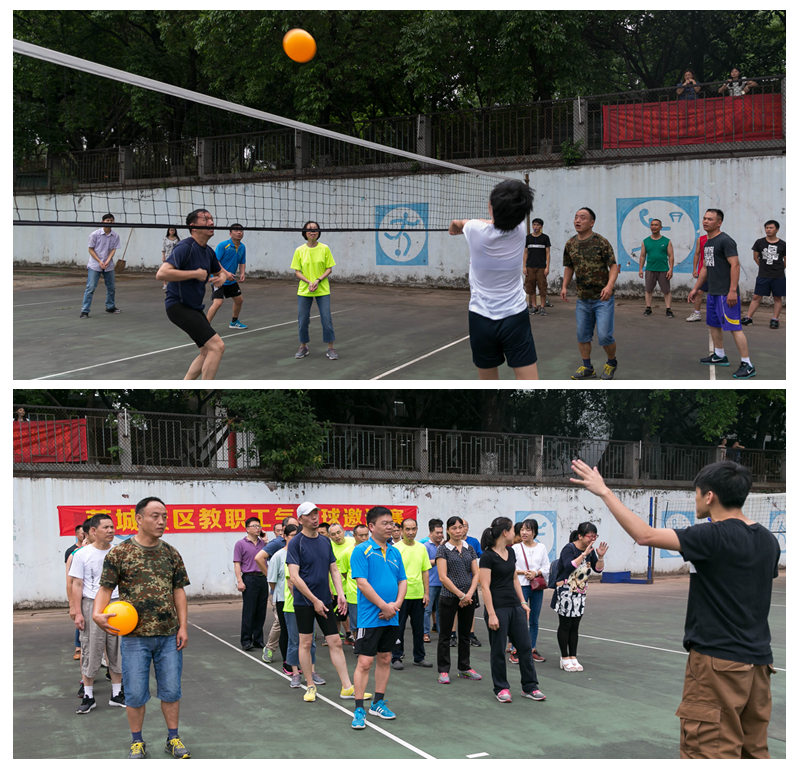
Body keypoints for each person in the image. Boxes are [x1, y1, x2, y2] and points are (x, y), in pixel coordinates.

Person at [570, 459, 781, 759]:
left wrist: (604, 492)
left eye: (697, 493)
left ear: (710, 496)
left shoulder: (712, 535)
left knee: (708, 752)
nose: (696, 499)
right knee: (754, 753)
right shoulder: (769, 540)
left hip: (718, 663)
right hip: (759, 666)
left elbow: (644, 535)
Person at [94, 497, 191, 759]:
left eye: (164, 516)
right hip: (134, 638)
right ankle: (137, 741)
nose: (161, 521)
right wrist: (96, 614)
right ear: (138, 518)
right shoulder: (120, 553)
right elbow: (105, 588)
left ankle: (173, 738)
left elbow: (178, 591)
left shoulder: (171, 553)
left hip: (169, 636)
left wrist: (183, 626)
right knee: (135, 693)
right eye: (155, 516)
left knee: (171, 690)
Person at [449, 179, 538, 380]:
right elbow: (491, 222)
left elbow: (458, 224)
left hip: (480, 318)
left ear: (490, 207)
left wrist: (454, 226)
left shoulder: (474, 229)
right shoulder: (521, 229)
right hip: (515, 317)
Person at [285, 502, 360, 703]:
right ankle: (310, 685)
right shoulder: (296, 543)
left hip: (325, 600)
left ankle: (347, 687)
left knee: (336, 641)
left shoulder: (325, 541)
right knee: (305, 642)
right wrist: (314, 600)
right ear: (300, 519)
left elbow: (333, 569)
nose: (314, 517)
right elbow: (294, 577)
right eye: (309, 515)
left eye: (316, 513)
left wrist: (341, 594)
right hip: (304, 602)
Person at [155, 208, 235, 380]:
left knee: (206, 351)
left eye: (211, 219)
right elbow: (161, 273)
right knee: (217, 346)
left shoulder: (208, 251)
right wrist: (194, 273)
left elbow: (220, 272)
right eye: (205, 219)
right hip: (178, 306)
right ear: (193, 226)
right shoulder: (185, 247)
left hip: (194, 307)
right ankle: (207, 391)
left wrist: (221, 278)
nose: (211, 222)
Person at [349, 506, 408, 729]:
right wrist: (384, 606)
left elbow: (403, 581)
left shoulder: (395, 552)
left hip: (391, 616)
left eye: (391, 523)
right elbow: (362, 583)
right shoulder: (361, 551)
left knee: (385, 659)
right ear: (372, 526)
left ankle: (378, 703)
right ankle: (359, 709)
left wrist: (396, 605)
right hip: (370, 617)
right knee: (365, 662)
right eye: (385, 523)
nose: (390, 526)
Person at [479, 517, 546, 704]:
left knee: (524, 647)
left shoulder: (511, 552)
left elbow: (515, 579)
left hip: (515, 606)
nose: (517, 533)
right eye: (513, 530)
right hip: (498, 608)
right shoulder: (487, 556)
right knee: (498, 650)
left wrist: (523, 602)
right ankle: (501, 688)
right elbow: (485, 587)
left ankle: (530, 686)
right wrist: (492, 614)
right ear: (505, 532)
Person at [687, 209, 755, 379]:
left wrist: (732, 291)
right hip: (713, 292)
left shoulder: (726, 241)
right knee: (714, 324)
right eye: (704, 218)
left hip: (726, 294)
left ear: (719, 223)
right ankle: (719, 355)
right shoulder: (707, 243)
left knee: (734, 328)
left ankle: (747, 364)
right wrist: (696, 289)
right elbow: (705, 268)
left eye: (710, 219)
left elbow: (735, 265)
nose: (705, 221)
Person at [69, 513, 126, 714]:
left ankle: (117, 694)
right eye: (106, 527)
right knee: (91, 649)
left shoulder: (119, 552)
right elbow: (77, 584)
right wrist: (77, 612)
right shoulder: (81, 554)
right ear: (93, 530)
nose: (111, 530)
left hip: (117, 605)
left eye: (112, 527)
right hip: (91, 604)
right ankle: (89, 696)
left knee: (117, 649)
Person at [561, 207, 621, 380]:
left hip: (603, 298)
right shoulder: (570, 244)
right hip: (583, 298)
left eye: (582, 217)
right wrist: (564, 286)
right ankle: (588, 368)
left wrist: (609, 285)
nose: (577, 220)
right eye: (576, 217)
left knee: (605, 336)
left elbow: (613, 266)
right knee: (582, 335)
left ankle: (611, 363)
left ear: (592, 222)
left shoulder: (601, 242)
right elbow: (569, 266)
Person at [549, 522, 608, 672]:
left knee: (575, 626)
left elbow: (597, 569)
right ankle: (564, 657)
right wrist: (584, 555)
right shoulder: (569, 548)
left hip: (580, 593)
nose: (592, 539)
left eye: (595, 536)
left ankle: (573, 657)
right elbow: (569, 566)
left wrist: (600, 556)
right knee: (565, 625)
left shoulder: (590, 551)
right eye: (590, 536)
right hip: (565, 591)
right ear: (580, 536)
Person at [435, 516, 481, 684]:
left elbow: (476, 574)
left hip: (469, 598)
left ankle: (464, 668)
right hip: (449, 597)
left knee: (465, 634)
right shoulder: (443, 549)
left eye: (460, 527)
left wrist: (469, 594)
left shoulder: (469, 548)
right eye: (453, 528)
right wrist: (460, 595)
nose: (458, 531)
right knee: (445, 635)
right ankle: (443, 670)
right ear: (448, 531)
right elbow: (443, 577)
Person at [291, 221, 338, 360]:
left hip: (322, 289)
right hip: (304, 290)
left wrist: (318, 280)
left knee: (326, 320)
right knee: (303, 321)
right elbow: (297, 271)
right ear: (305, 233)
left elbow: (329, 268)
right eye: (310, 229)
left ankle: (330, 348)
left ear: (319, 232)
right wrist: (309, 282)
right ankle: (303, 347)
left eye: (315, 229)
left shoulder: (325, 248)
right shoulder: (299, 250)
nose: (313, 231)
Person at [391, 517, 432, 670]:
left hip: (418, 595)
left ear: (417, 530)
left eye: (413, 529)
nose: (410, 532)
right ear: (401, 530)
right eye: (407, 529)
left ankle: (419, 658)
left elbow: (425, 571)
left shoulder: (421, 548)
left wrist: (426, 593)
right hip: (400, 597)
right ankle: (396, 657)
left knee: (419, 629)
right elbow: (391, 573)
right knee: (398, 629)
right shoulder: (395, 549)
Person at [511, 519, 550, 663]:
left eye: (528, 530)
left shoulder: (541, 547)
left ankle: (532, 648)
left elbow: (547, 567)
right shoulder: (515, 548)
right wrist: (524, 573)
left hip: (537, 586)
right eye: (522, 529)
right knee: (519, 619)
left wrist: (536, 573)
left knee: (534, 620)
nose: (524, 532)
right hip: (521, 586)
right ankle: (515, 650)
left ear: (534, 532)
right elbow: (511, 567)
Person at [266, 523, 298, 677]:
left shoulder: (301, 553)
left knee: (298, 633)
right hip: (283, 599)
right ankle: (287, 662)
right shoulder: (278, 556)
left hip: (299, 599)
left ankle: (297, 661)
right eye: (292, 535)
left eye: (297, 535)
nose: (295, 538)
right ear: (284, 537)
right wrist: (280, 593)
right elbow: (272, 581)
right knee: (285, 631)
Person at [742, 220, 785, 329]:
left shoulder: (782, 244)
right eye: (767, 228)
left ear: (777, 230)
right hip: (763, 275)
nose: (768, 230)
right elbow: (755, 257)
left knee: (777, 298)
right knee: (756, 296)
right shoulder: (759, 242)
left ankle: (775, 320)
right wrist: (764, 267)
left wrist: (779, 269)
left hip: (778, 276)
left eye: (771, 228)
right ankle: (748, 318)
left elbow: (786, 260)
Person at [233, 516, 268, 651]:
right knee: (249, 610)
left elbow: (271, 556)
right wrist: (240, 581)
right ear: (247, 529)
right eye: (254, 526)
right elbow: (237, 563)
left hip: (262, 578)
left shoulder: (263, 544)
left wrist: (266, 541)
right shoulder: (240, 544)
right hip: (249, 578)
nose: (257, 528)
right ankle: (246, 640)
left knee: (261, 610)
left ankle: (258, 640)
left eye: (259, 526)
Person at [80, 214, 121, 319]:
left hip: (108, 264)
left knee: (111, 287)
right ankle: (85, 311)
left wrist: (107, 261)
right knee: (90, 287)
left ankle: (110, 307)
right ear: (103, 222)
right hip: (95, 264)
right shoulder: (95, 234)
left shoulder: (115, 236)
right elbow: (90, 249)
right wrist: (99, 261)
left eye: (112, 220)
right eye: (108, 220)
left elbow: (113, 250)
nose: (110, 222)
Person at [207, 224, 247, 329]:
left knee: (239, 300)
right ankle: (205, 327)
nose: (239, 232)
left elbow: (242, 261)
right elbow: (215, 261)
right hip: (218, 278)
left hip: (231, 280)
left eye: (241, 231)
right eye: (236, 231)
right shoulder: (223, 245)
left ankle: (234, 322)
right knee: (218, 302)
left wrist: (242, 273)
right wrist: (225, 273)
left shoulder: (242, 247)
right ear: (230, 234)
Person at [639, 218, 675, 317]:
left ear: (660, 227)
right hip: (650, 269)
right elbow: (642, 256)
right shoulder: (645, 241)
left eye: (656, 225)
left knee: (666, 291)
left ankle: (668, 309)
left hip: (663, 269)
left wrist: (671, 269)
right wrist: (640, 269)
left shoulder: (667, 241)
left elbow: (671, 256)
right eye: (652, 225)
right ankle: (648, 308)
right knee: (648, 290)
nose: (654, 227)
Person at [328, 523, 356, 645]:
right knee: (337, 616)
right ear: (330, 536)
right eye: (333, 534)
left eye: (339, 532)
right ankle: (336, 641)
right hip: (336, 588)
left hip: (353, 587)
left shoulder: (353, 542)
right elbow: (326, 569)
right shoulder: (328, 547)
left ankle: (351, 636)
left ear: (344, 531)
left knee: (354, 615)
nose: (337, 536)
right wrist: (328, 587)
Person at [343, 523, 370, 642]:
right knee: (355, 623)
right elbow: (344, 572)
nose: (364, 538)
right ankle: (357, 644)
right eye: (361, 535)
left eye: (366, 535)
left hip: (371, 593)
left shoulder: (373, 549)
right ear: (354, 536)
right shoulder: (347, 552)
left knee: (370, 621)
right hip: (354, 594)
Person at [65, 524, 86, 660]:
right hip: (81, 595)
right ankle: (78, 647)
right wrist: (72, 604)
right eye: (82, 533)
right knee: (80, 619)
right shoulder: (73, 553)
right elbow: (70, 581)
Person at [523, 218, 551, 315]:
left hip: (541, 267)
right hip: (530, 266)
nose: (536, 227)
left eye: (538, 225)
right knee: (530, 287)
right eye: (534, 225)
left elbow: (548, 253)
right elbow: (525, 252)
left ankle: (542, 307)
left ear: (541, 227)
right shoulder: (528, 238)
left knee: (542, 287)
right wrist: (524, 266)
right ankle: (534, 306)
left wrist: (547, 267)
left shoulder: (545, 238)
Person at [461, 520, 483, 647]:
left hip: (470, 583)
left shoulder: (473, 542)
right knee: (454, 611)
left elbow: (481, 556)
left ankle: (471, 635)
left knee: (471, 610)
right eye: (457, 527)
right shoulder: (447, 545)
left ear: (467, 528)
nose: (461, 529)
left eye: (463, 526)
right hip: (454, 584)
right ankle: (452, 635)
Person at [423, 519, 444, 642]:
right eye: (437, 533)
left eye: (441, 532)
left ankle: (442, 633)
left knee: (441, 610)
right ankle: (425, 633)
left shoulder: (444, 546)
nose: (440, 535)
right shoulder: (425, 546)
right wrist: (439, 561)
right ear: (431, 533)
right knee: (427, 610)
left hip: (443, 583)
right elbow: (425, 563)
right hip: (430, 583)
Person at [686, 231, 709, 322]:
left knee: (715, 293)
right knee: (699, 291)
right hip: (703, 270)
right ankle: (697, 313)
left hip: (715, 271)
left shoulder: (720, 239)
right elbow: (696, 254)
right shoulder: (701, 239)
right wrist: (694, 269)